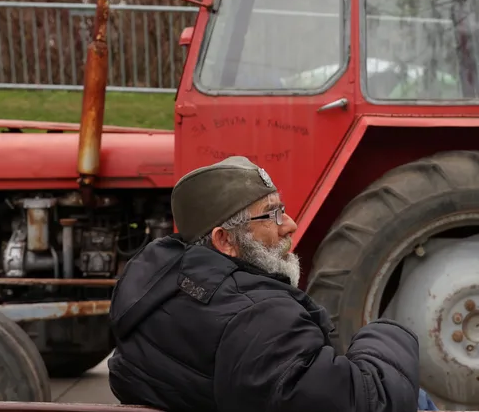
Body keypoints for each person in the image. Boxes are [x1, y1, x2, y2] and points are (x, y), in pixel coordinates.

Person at [108, 155, 435, 412]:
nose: (290, 225)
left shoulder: (158, 291)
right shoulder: (259, 319)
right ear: (226, 240)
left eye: (284, 211)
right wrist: (386, 333)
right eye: (272, 215)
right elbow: (365, 403)